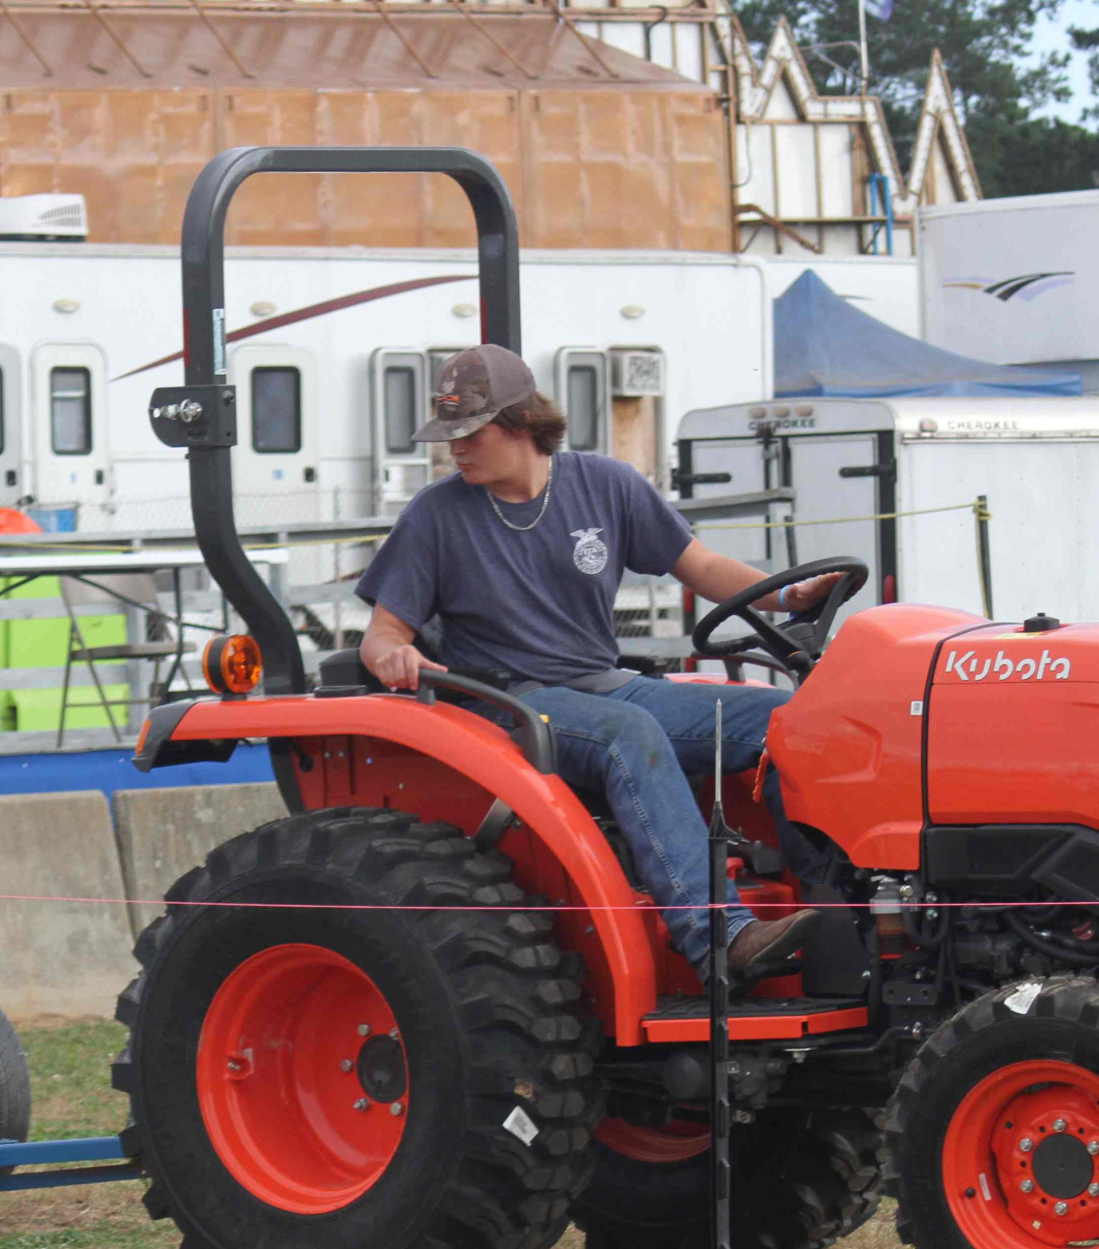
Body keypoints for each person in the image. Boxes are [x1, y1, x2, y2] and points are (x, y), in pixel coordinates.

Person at [355, 345, 839, 988]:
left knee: (784, 719)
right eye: (449, 435)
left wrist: (786, 595)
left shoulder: (606, 485)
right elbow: (382, 636)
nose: (455, 449)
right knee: (626, 735)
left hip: (604, 683)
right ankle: (721, 938)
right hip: (509, 701)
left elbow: (701, 566)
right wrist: (395, 654)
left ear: (522, 423)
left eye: (469, 432)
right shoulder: (435, 517)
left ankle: (837, 916)